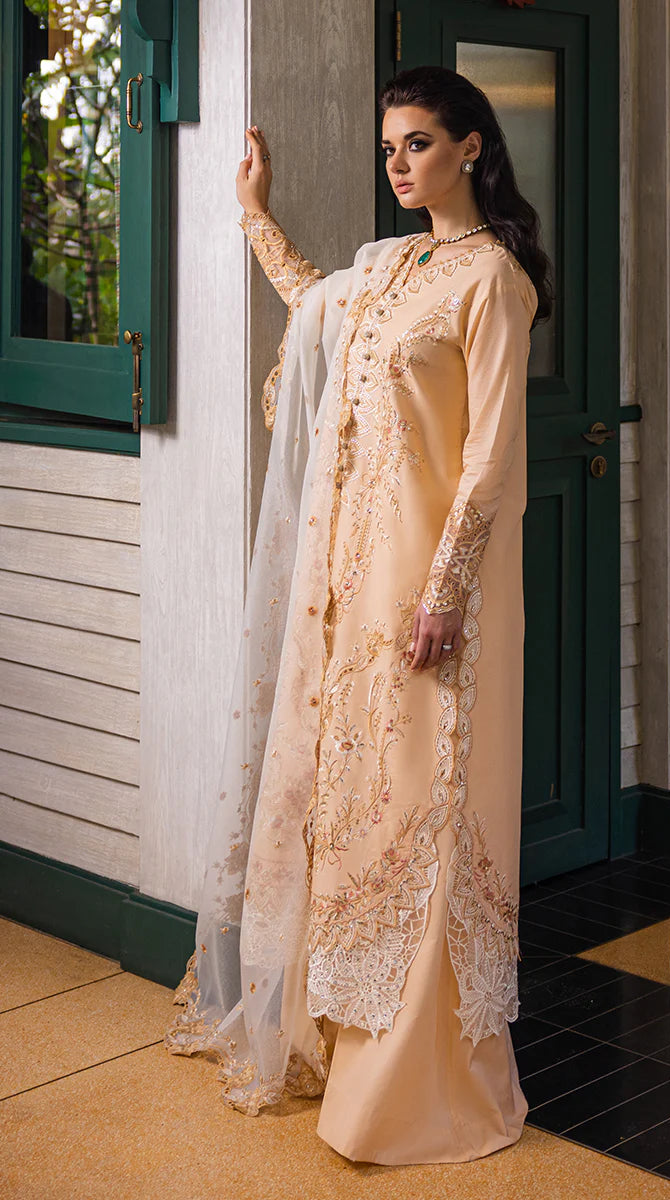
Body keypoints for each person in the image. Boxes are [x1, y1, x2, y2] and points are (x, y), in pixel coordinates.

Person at [164, 64, 553, 1166]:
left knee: (427, 811)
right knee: (357, 811)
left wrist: (444, 594)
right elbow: (313, 309)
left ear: (471, 146)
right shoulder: (387, 268)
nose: (399, 164)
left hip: (433, 598)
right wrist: (255, 213)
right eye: (389, 147)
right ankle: (348, 1039)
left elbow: (490, 460)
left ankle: (420, 1085)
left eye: (418, 142)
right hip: (351, 589)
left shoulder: (493, 281)